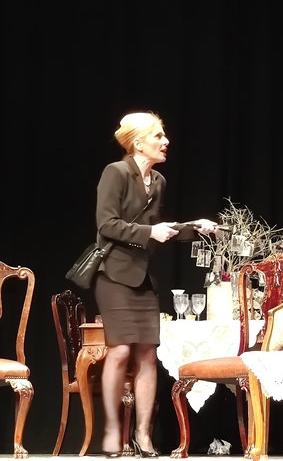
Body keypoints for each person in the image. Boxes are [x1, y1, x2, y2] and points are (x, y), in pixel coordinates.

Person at [93, 112, 216, 458]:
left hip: (144, 277)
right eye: (158, 136)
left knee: (148, 354)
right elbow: (107, 224)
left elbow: (158, 228)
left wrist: (193, 228)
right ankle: (112, 432)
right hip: (114, 275)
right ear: (138, 142)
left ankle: (143, 436)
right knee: (120, 351)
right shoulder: (116, 173)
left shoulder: (157, 180)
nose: (166, 141)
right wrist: (150, 232)